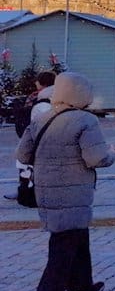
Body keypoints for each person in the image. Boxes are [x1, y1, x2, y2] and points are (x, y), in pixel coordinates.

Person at [17, 72, 115, 291]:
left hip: (46, 190)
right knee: (62, 249)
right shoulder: (85, 120)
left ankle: (81, 288)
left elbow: (23, 154)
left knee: (77, 236)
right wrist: (111, 153)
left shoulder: (41, 119)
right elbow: (96, 158)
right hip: (73, 191)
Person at [8, 71, 55, 203]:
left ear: (42, 83)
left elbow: (37, 120)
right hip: (45, 139)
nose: (35, 83)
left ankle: (26, 192)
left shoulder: (43, 99)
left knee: (26, 163)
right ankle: (25, 191)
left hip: (38, 139)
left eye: (37, 81)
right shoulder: (51, 96)